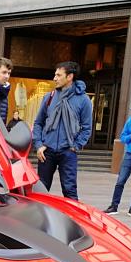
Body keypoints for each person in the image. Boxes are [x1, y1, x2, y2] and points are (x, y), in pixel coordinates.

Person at [32, 61, 92, 201]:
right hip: (47, 151)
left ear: (70, 76)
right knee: (40, 190)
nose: (55, 78)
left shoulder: (83, 100)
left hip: (68, 151)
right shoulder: (49, 97)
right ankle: (38, 221)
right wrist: (39, 144)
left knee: (70, 190)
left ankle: (74, 221)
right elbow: (38, 123)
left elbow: (87, 127)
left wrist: (75, 146)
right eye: (55, 75)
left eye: (58, 75)